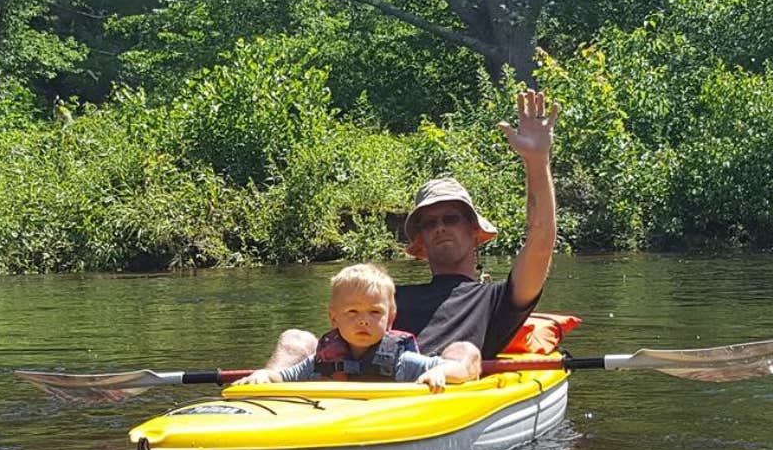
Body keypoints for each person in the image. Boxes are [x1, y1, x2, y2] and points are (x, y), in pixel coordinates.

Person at [237, 89, 559, 383]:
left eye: (451, 218)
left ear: (474, 231)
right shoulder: (386, 298)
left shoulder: (497, 300)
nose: (440, 227)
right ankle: (265, 384)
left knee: (462, 349)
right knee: (296, 339)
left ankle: (441, 375)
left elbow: (540, 242)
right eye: (429, 223)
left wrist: (536, 161)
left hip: (431, 389)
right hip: (360, 379)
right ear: (420, 241)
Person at [245, 263, 476, 392]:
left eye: (375, 312)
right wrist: (265, 375)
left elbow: (460, 370)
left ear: (390, 319)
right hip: (338, 421)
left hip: (384, 421)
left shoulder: (401, 361)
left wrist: (439, 372)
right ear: (333, 318)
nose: (363, 320)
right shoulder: (321, 359)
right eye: (352, 312)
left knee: (464, 351)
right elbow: (283, 377)